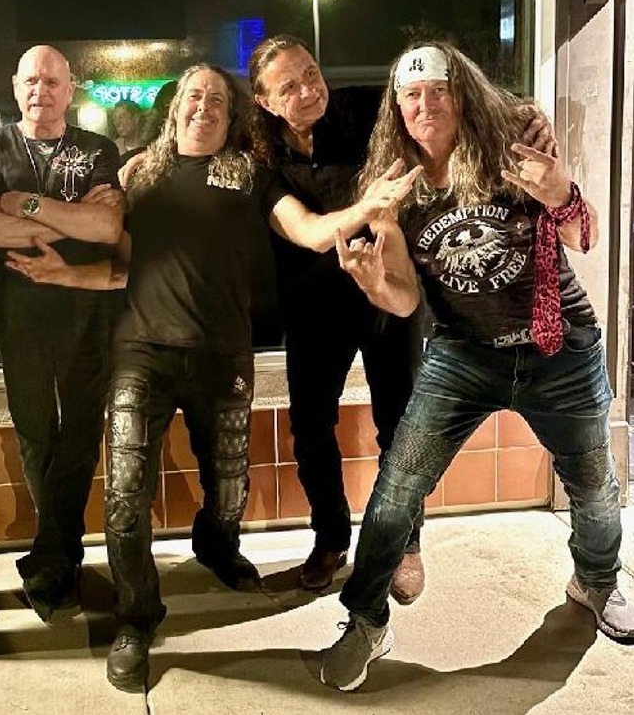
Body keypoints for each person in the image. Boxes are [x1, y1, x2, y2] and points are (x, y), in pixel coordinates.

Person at [319, 43, 634, 692]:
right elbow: (405, 298)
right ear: (397, 107)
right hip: (463, 353)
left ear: (461, 94)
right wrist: (372, 281)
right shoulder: (395, 187)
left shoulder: (509, 153)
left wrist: (560, 191)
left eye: (438, 90)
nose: (426, 105)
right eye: (412, 95)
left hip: (557, 344)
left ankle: (597, 582)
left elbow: (585, 236)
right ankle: (366, 619)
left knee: (595, 487)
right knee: (397, 485)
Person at [102, 63, 421, 693]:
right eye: (194, 96)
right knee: (124, 490)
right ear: (174, 108)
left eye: (217, 100)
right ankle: (136, 619)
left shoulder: (249, 173)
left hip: (223, 355)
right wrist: (54, 260)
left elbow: (309, 233)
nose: (204, 107)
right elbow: (114, 259)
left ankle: (216, 545)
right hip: (141, 351)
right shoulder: (139, 174)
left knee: (229, 492)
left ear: (233, 115)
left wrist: (367, 206)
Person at [248, 34, 426, 600]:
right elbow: (307, 232)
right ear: (264, 101)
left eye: (311, 73)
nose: (309, 90)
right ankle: (330, 538)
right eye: (289, 86)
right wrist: (366, 207)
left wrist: (522, 116)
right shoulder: (262, 160)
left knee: (400, 424)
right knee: (310, 429)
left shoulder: (366, 109)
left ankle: (405, 542)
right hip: (313, 306)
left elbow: (434, 104)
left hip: (387, 293)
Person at [0, 44, 124, 622]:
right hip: (19, 314)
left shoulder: (97, 148)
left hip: (87, 309)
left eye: (53, 81)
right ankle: (62, 556)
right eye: (31, 81)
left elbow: (108, 228)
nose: (41, 91)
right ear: (15, 87)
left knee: (80, 434)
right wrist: (71, 219)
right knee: (36, 433)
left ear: (70, 88)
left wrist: (24, 204)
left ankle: (53, 559)